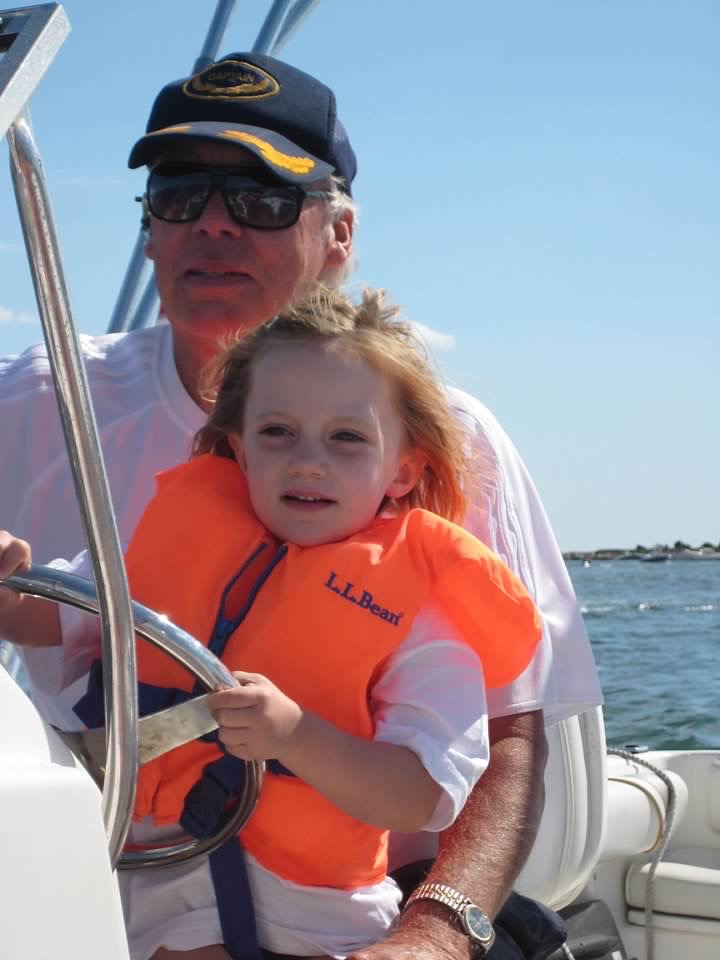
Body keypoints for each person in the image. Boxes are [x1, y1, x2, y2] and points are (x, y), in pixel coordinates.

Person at [0, 50, 600, 960]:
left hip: (375, 907)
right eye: (179, 194)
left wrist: (434, 938)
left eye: (263, 199)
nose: (214, 225)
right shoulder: (38, 399)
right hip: (102, 888)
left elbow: (507, 742)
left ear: (340, 235)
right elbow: (61, 614)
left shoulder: (452, 444)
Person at [0, 287, 544, 960]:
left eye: (347, 438)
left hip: (319, 929)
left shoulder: (420, 616)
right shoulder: (167, 543)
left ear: (402, 469)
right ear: (239, 446)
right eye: (276, 432)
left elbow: (420, 795)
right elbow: (46, 617)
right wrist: (7, 586)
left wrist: (297, 735)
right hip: (157, 894)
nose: (307, 460)